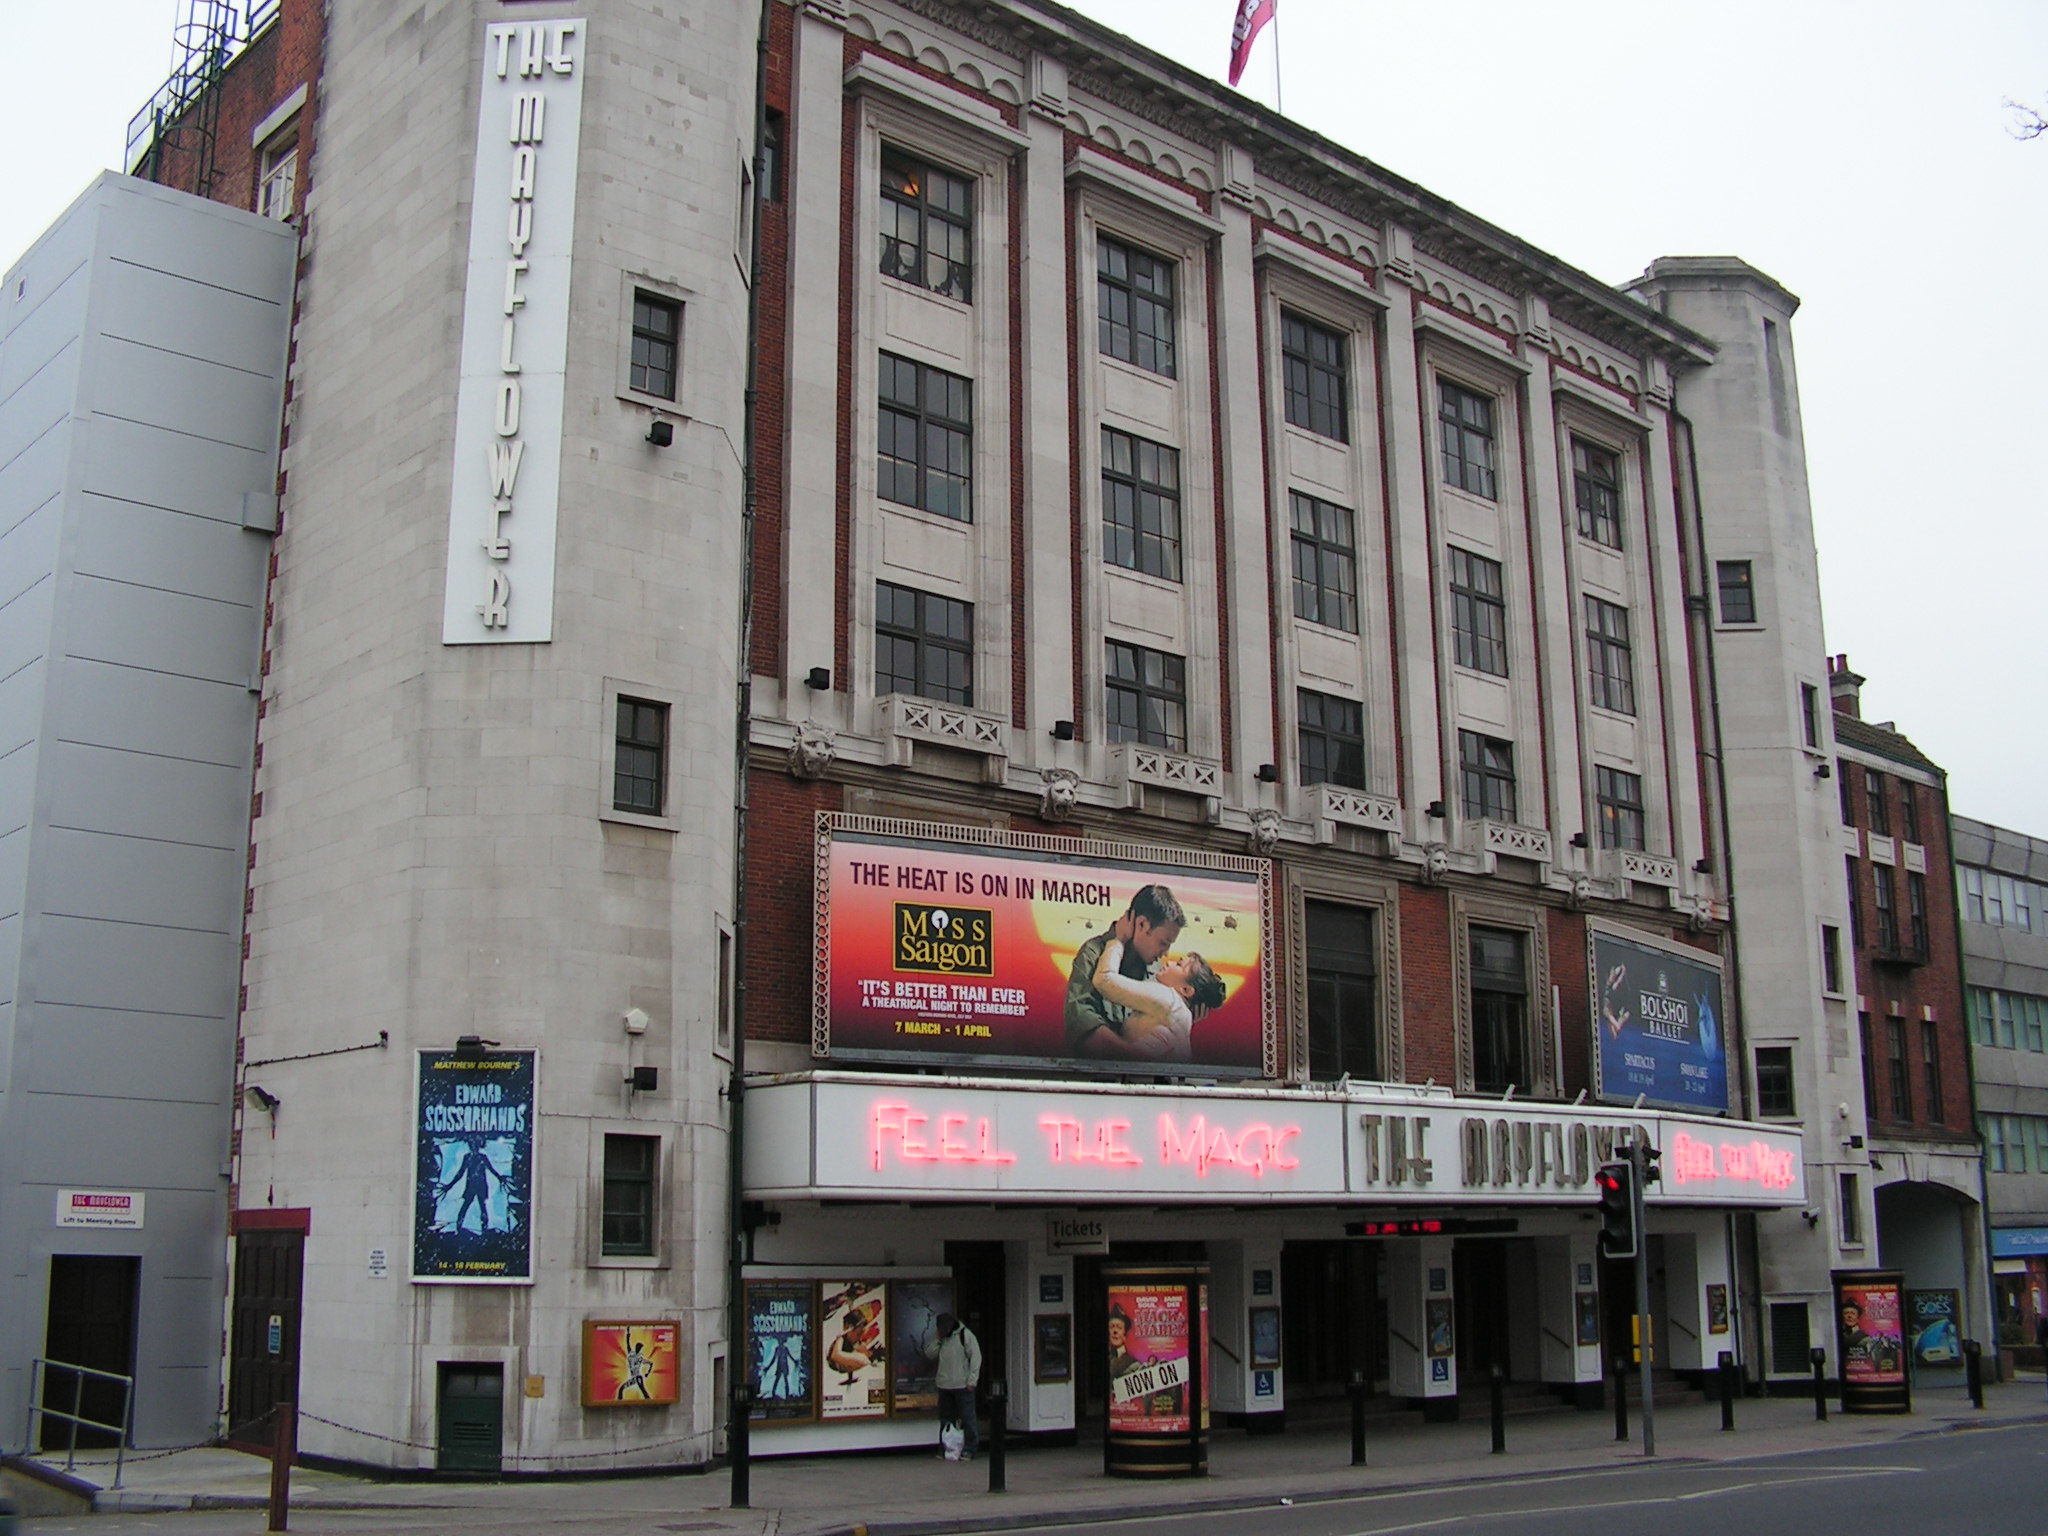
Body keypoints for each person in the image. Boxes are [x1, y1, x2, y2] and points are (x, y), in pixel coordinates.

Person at [1064, 885, 1184, 1058]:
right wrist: (1136, 1060)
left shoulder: (1156, 969)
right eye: (1163, 943)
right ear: (1141, 924)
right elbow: (1083, 1029)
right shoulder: (1093, 953)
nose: (1166, 953)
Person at [1090, 912, 1225, 1062]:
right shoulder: (1182, 1021)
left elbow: (1104, 980)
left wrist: (1118, 940)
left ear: (1186, 990)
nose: (1169, 962)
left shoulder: (1170, 999)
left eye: (1179, 964)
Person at [934, 1312, 982, 1459]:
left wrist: (972, 1381)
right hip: (944, 1385)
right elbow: (929, 1353)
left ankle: (970, 1448)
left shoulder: (965, 1335)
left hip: (962, 1385)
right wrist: (937, 1340)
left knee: (967, 1418)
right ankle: (946, 1447)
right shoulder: (942, 1338)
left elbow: (976, 1357)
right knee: (945, 1419)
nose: (944, 1331)